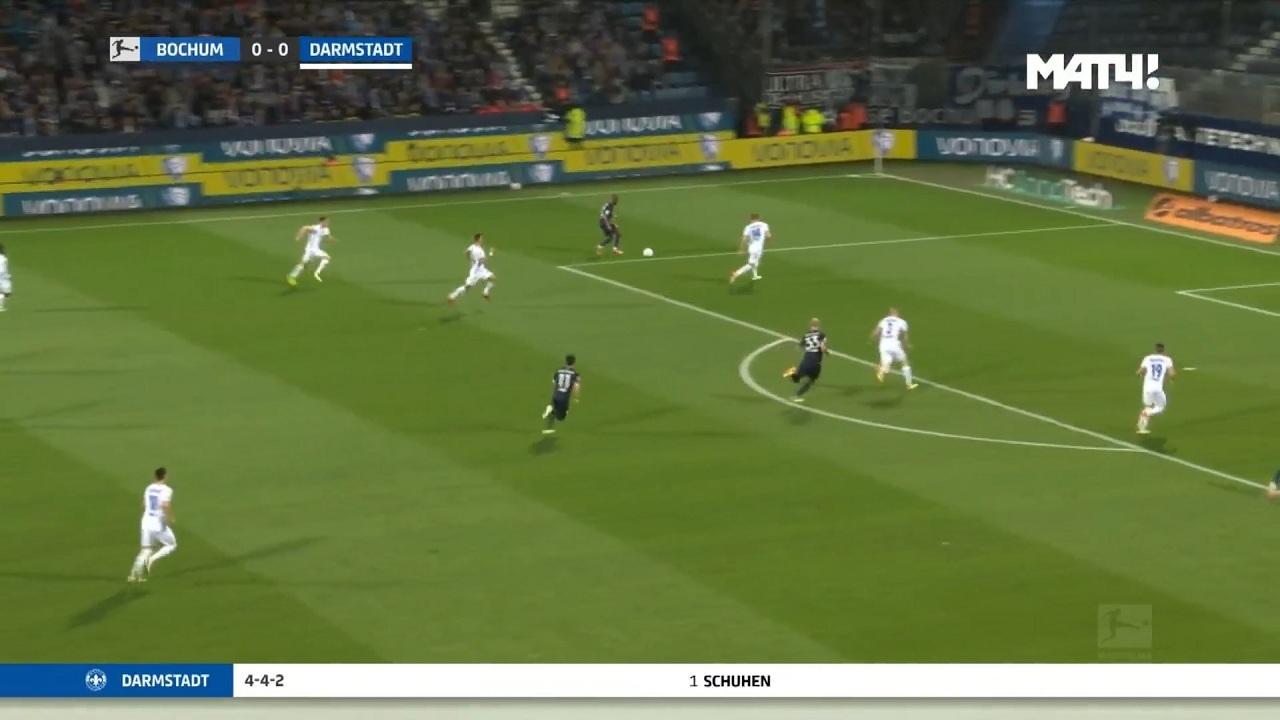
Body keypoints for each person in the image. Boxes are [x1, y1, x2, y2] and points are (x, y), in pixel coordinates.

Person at [128, 467, 176, 582]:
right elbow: (165, 505)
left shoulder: (149, 488)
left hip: (146, 522)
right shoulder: (167, 490)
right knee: (172, 545)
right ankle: (152, 559)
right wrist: (170, 518)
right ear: (165, 476)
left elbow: (143, 505)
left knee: (146, 550)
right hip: (158, 524)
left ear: (155, 476)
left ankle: (134, 575)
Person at [871, 308, 918, 390]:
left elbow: (876, 332)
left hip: (883, 344)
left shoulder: (884, 320)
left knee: (886, 365)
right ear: (897, 314)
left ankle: (881, 371)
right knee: (905, 362)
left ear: (889, 314)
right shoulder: (902, 322)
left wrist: (873, 340)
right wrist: (907, 345)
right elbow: (905, 336)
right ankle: (909, 384)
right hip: (894, 344)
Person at [783, 318, 828, 403]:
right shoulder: (822, 335)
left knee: (797, 379)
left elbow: (798, 346)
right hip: (815, 362)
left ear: (810, 325)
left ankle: (791, 372)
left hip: (806, 359)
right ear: (818, 325)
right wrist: (827, 352)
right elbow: (822, 348)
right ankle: (795, 396)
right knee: (811, 381)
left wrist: (808, 348)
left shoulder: (806, 335)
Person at [1136, 343, 1175, 435]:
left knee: (1147, 406)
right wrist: (1171, 379)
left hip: (1147, 388)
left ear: (1155, 350)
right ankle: (1147, 415)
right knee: (1161, 407)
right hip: (1157, 388)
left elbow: (1139, 372)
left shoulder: (1148, 358)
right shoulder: (1167, 359)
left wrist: (1141, 374)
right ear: (1163, 350)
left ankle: (1142, 427)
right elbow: (1172, 374)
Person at [447, 233, 496, 304]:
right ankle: (452, 296)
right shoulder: (480, 251)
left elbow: (466, 253)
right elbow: (482, 261)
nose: (483, 240)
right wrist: (491, 253)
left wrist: (471, 260)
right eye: (481, 239)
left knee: (493, 278)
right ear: (478, 240)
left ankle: (485, 292)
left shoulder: (472, 247)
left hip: (481, 269)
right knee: (467, 287)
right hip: (476, 271)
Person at [287, 216, 336, 286]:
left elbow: (328, 236)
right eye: (326, 222)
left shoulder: (326, 229)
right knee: (327, 257)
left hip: (316, 249)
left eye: (328, 222)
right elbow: (304, 228)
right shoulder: (316, 228)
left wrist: (332, 239)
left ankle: (292, 275)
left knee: (305, 264)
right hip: (310, 250)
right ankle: (292, 276)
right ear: (321, 222)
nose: (328, 223)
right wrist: (298, 237)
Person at [542, 354, 581, 434]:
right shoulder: (575, 374)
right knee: (561, 418)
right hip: (564, 398)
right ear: (574, 363)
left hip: (556, 395)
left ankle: (548, 427)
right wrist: (576, 397)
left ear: (565, 362)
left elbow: (554, 382)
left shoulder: (558, 371)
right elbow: (576, 386)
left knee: (554, 410)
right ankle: (551, 409)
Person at [729, 213, 769, 284]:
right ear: (759, 218)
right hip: (758, 249)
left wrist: (741, 249)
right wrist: (768, 240)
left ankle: (755, 275)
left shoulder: (748, 227)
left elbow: (744, 239)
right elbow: (768, 235)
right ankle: (736, 273)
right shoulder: (764, 225)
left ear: (751, 219)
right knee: (751, 264)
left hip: (751, 248)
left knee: (755, 262)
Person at [0, 243, 11, 312]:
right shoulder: (4, 258)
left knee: (4, 292)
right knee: (6, 293)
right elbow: (5, 267)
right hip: (2, 275)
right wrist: (8, 275)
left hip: (2, 275)